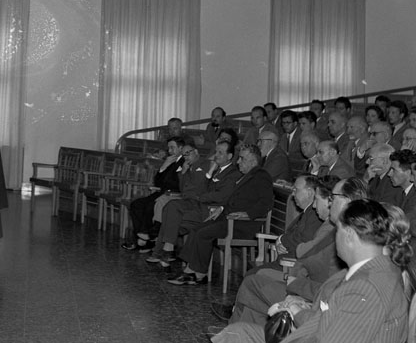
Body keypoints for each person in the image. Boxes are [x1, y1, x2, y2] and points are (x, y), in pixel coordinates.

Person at [211, 198, 412, 343]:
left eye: (338, 230)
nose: (335, 237)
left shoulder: (365, 288)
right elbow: (332, 322)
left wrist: (297, 314)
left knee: (237, 335)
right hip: (311, 326)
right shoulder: (377, 270)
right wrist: (298, 310)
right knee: (237, 332)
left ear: (349, 235)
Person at [218, 177, 367, 325]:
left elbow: (331, 286)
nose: (328, 203)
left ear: (347, 201)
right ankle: (240, 332)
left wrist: (296, 287)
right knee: (252, 297)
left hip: (314, 301)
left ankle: (237, 330)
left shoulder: (346, 237)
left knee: (252, 285)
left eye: (332, 198)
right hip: (305, 288)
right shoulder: (334, 230)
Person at [166, 144, 273, 285]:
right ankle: (191, 269)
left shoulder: (261, 176)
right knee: (197, 228)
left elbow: (266, 202)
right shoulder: (247, 175)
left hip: (242, 224)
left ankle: (198, 273)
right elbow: (234, 199)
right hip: (229, 219)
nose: (238, 162)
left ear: (253, 161)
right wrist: (221, 208)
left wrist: (247, 214)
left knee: (203, 233)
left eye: (242, 159)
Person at [146, 140, 240, 267]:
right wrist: (186, 173)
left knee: (171, 210)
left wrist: (201, 194)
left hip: (209, 210)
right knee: (170, 214)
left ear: (229, 156)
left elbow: (220, 195)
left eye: (220, 152)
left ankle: (163, 251)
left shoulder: (231, 173)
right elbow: (187, 189)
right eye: (216, 151)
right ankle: (167, 251)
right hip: (197, 205)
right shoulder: (216, 168)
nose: (216, 155)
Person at [121, 136, 185, 251]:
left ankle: (145, 239)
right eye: (169, 148)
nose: (170, 151)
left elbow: (177, 183)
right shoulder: (170, 161)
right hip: (161, 192)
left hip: (172, 195)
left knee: (150, 206)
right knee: (136, 205)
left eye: (172, 147)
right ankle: (142, 239)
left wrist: (166, 173)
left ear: (181, 148)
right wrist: (164, 166)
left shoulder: (184, 162)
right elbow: (157, 181)